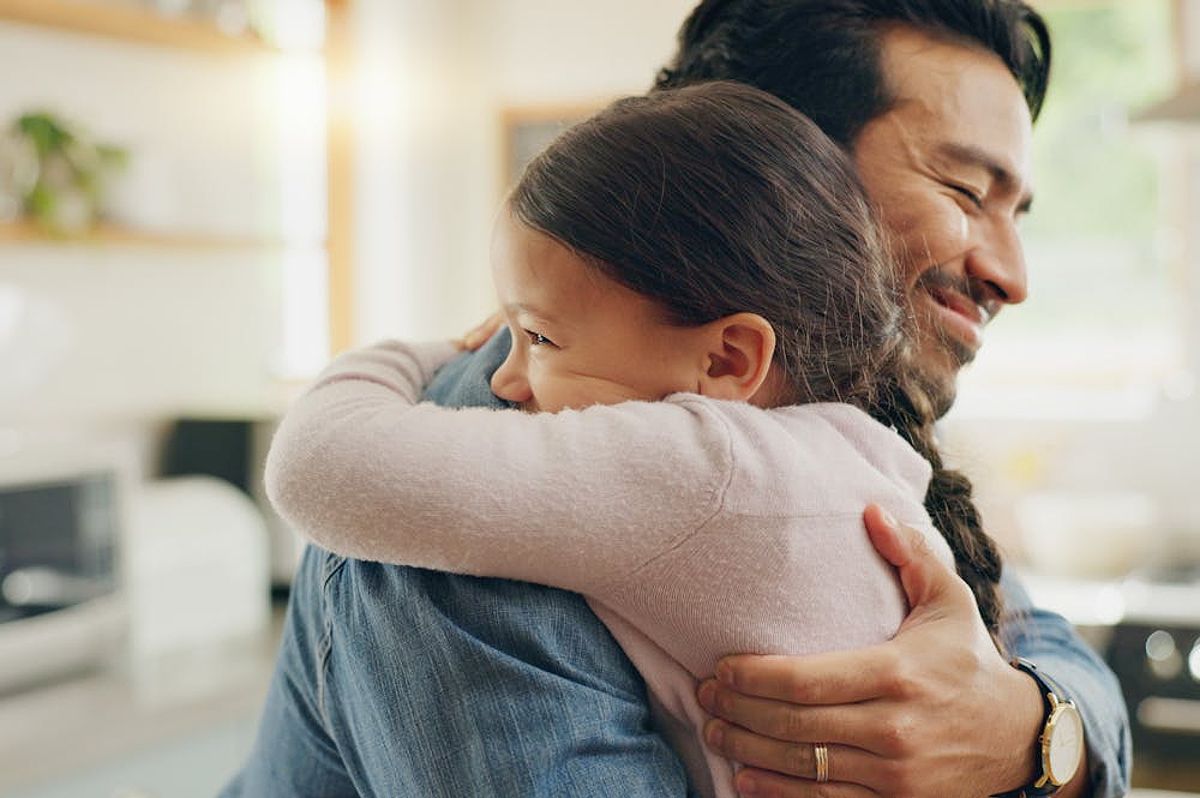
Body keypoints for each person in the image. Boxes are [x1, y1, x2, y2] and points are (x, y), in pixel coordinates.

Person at [225, 1, 1131, 796]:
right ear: (776, 165)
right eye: (966, 191)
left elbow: (1060, 657)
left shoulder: (835, 432)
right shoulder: (489, 463)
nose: (1012, 275)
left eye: (1020, 214)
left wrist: (1027, 731)